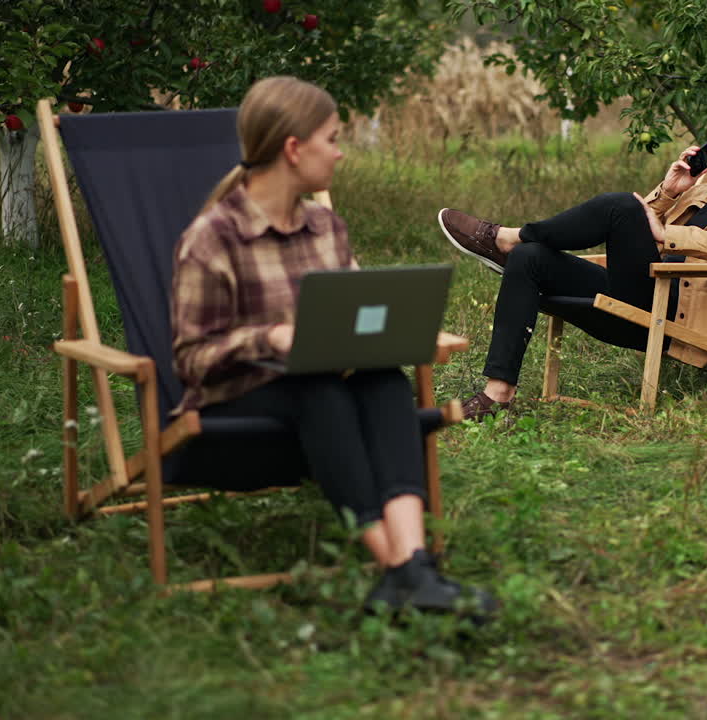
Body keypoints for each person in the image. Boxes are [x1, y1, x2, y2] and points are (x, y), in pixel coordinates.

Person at [171, 76, 495, 619]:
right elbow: (190, 359)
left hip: (324, 398)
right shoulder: (212, 239)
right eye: (332, 139)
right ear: (294, 149)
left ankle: (413, 566)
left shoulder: (325, 227)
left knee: (383, 378)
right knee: (317, 387)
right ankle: (399, 570)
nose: (341, 152)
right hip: (233, 416)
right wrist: (270, 337)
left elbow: (356, 314)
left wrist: (389, 329)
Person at [438, 94, 707, 420]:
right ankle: (496, 395)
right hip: (645, 293)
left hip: (676, 314)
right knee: (530, 257)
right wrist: (669, 192)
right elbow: (643, 227)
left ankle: (506, 238)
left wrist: (668, 235)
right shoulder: (702, 189)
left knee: (621, 205)